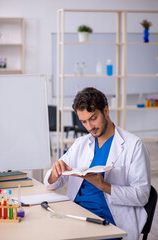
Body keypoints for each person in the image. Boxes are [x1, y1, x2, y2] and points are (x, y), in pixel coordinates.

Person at [44, 87, 151, 240]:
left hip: (109, 223)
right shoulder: (81, 144)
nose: (89, 127)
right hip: (76, 215)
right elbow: (50, 184)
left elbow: (141, 196)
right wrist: (55, 172)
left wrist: (103, 185)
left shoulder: (134, 146)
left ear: (106, 111)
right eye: (84, 122)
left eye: (93, 118)